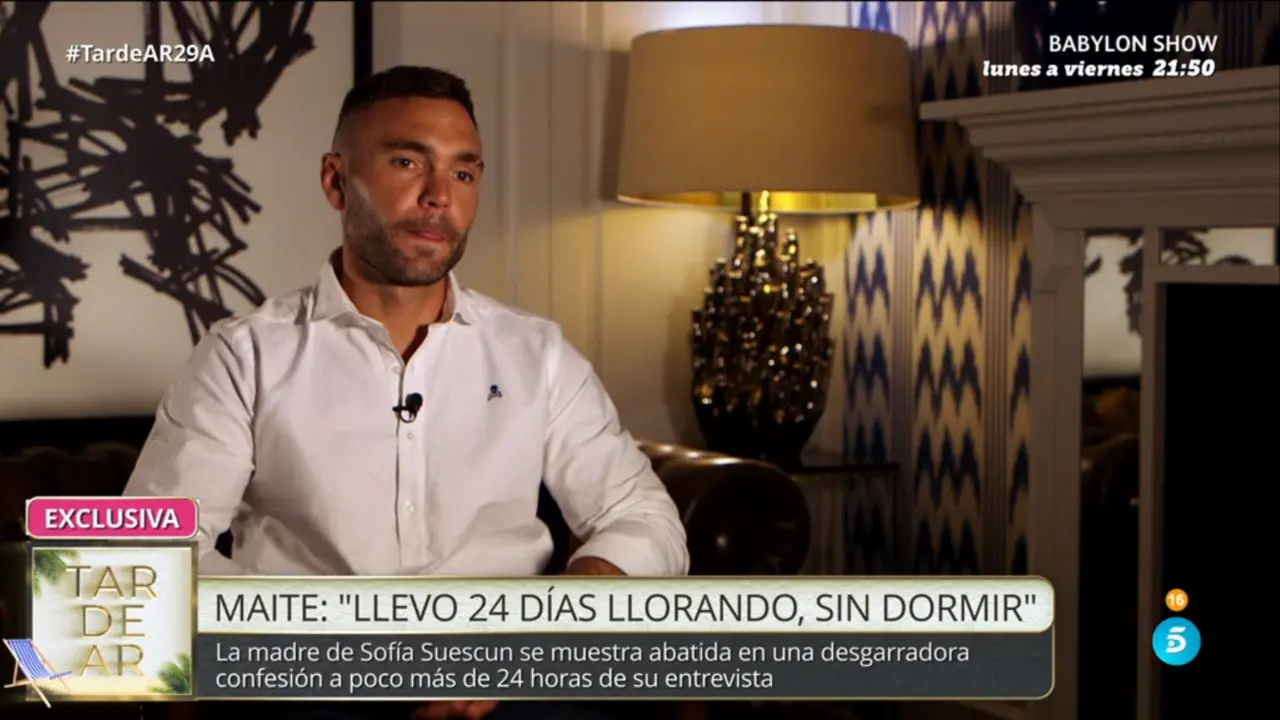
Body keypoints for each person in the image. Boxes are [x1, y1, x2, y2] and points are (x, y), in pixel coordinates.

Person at [124, 65, 689, 720]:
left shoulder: (537, 354)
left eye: (464, 172)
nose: (439, 196)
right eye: (406, 163)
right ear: (337, 181)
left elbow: (643, 517)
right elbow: (150, 556)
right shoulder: (244, 356)